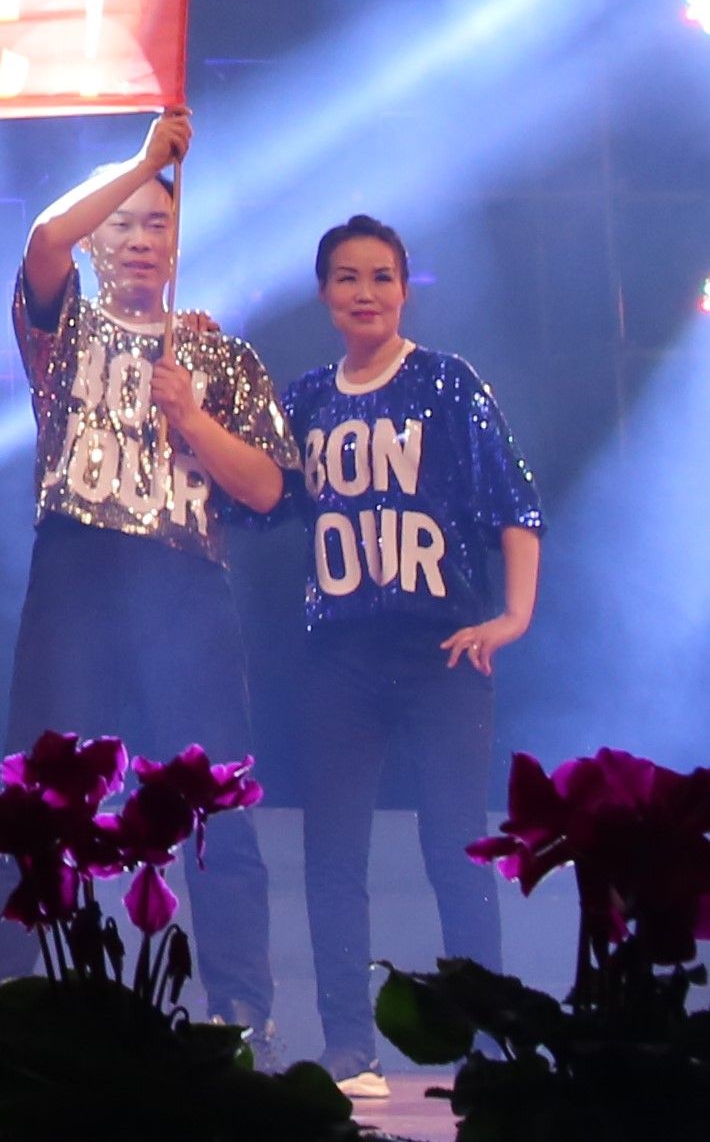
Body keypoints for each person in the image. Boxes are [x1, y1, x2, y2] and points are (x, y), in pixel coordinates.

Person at [0, 109, 291, 1041]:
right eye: (123, 223)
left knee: (214, 793)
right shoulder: (65, 325)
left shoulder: (219, 354)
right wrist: (146, 160)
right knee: (43, 787)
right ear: (98, 236)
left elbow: (269, 488)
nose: (142, 238)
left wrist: (193, 418)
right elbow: (44, 239)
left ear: (179, 239)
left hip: (186, 581)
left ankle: (240, 1008)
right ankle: (12, 1001)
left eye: (158, 222)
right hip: (77, 567)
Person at [280, 215, 543, 1099]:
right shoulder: (306, 399)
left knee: (456, 850)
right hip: (340, 658)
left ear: (404, 288)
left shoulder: (447, 383)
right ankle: (349, 1047)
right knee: (332, 855)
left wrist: (513, 618)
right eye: (348, 277)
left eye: (382, 276)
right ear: (324, 292)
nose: (365, 292)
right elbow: (258, 493)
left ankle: (485, 1050)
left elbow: (516, 504)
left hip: (441, 655)